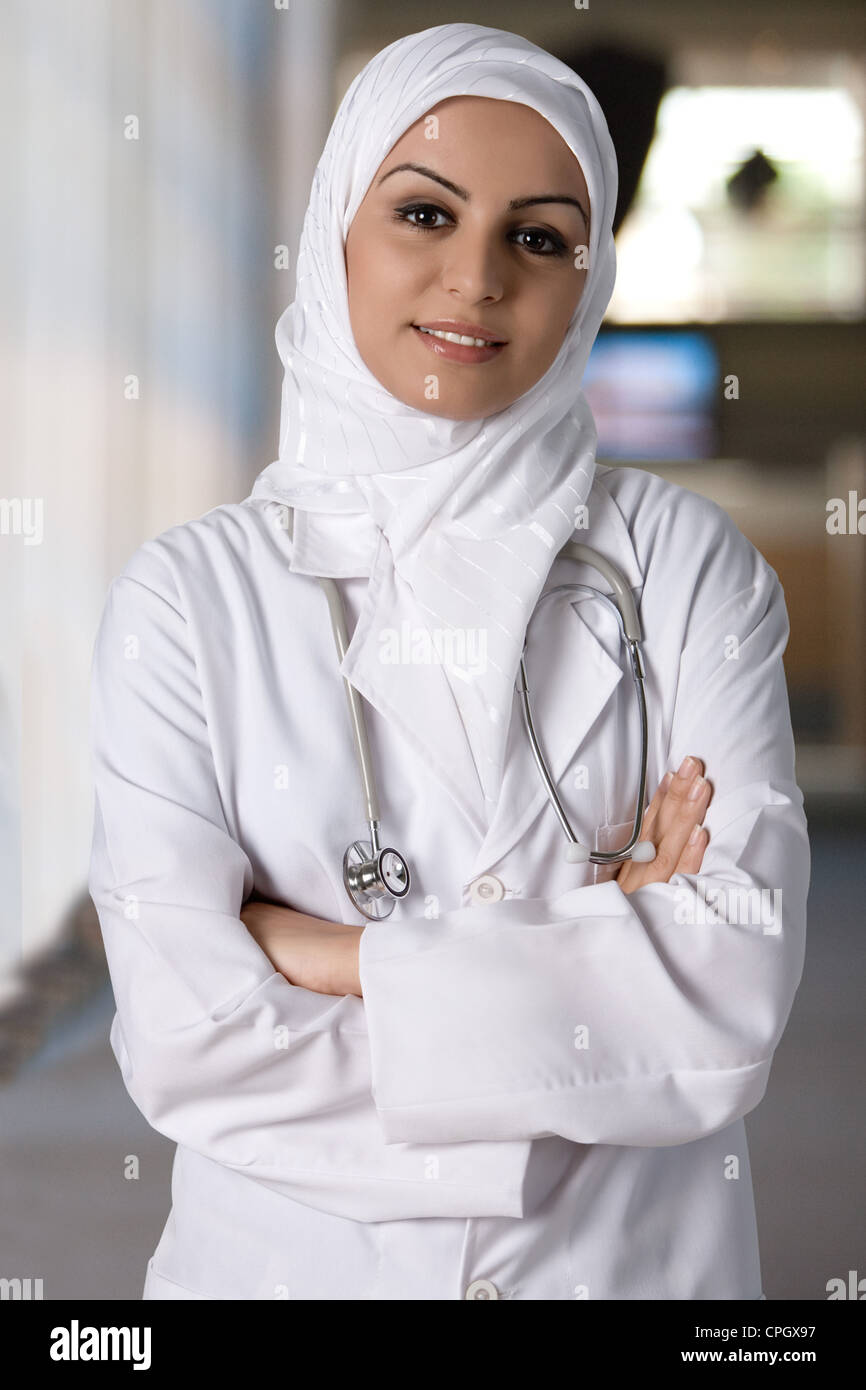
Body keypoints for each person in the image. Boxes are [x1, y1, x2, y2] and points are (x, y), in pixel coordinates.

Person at [87, 23, 809, 1301]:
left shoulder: (688, 569)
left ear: (585, 275)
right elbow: (193, 1041)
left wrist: (347, 959)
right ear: (334, 234)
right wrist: (593, 983)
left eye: (535, 236)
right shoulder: (189, 599)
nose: (475, 279)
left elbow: (726, 1006)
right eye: (425, 211)